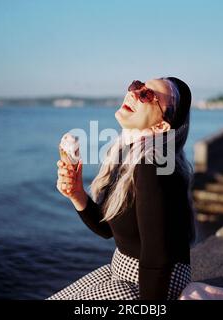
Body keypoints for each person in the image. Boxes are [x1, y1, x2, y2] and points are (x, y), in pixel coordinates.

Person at [47, 76, 196, 300]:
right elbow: (109, 230)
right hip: (123, 270)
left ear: (160, 126)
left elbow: (157, 257)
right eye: (138, 86)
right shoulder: (129, 153)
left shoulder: (152, 165)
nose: (134, 93)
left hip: (153, 282)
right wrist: (77, 194)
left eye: (146, 95)